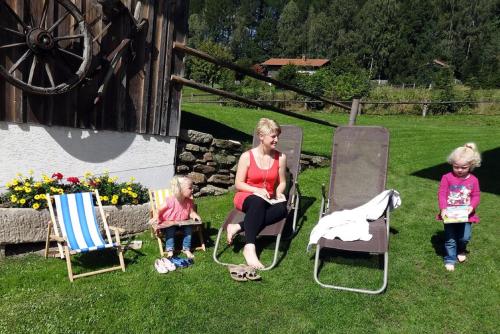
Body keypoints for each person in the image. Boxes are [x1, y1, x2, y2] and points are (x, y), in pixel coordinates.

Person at [227, 118, 288, 269]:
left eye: (277, 136)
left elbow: (282, 182)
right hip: (246, 195)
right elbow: (239, 183)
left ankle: (238, 226)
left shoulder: (280, 157)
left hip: (268, 198)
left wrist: (279, 192)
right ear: (261, 136)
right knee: (257, 201)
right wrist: (256, 190)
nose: (277, 139)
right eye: (273, 136)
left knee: (282, 209)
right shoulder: (247, 156)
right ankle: (250, 247)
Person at [437, 143, 481, 272]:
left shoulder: (473, 180)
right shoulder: (447, 178)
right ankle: (450, 259)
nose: (459, 170)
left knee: (464, 237)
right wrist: (443, 208)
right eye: (456, 167)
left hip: (466, 215)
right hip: (449, 214)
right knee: (450, 238)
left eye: (463, 167)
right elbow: (442, 193)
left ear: (471, 166)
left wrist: (472, 207)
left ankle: (461, 249)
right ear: (452, 163)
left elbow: (476, 195)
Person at [156, 175, 201, 259]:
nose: (192, 190)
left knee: (189, 228)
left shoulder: (189, 201)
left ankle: (186, 248)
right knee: (170, 229)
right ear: (180, 189)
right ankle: (170, 250)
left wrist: (195, 215)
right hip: (170, 223)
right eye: (190, 188)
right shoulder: (170, 200)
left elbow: (191, 212)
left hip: (183, 223)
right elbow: (159, 209)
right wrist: (157, 218)